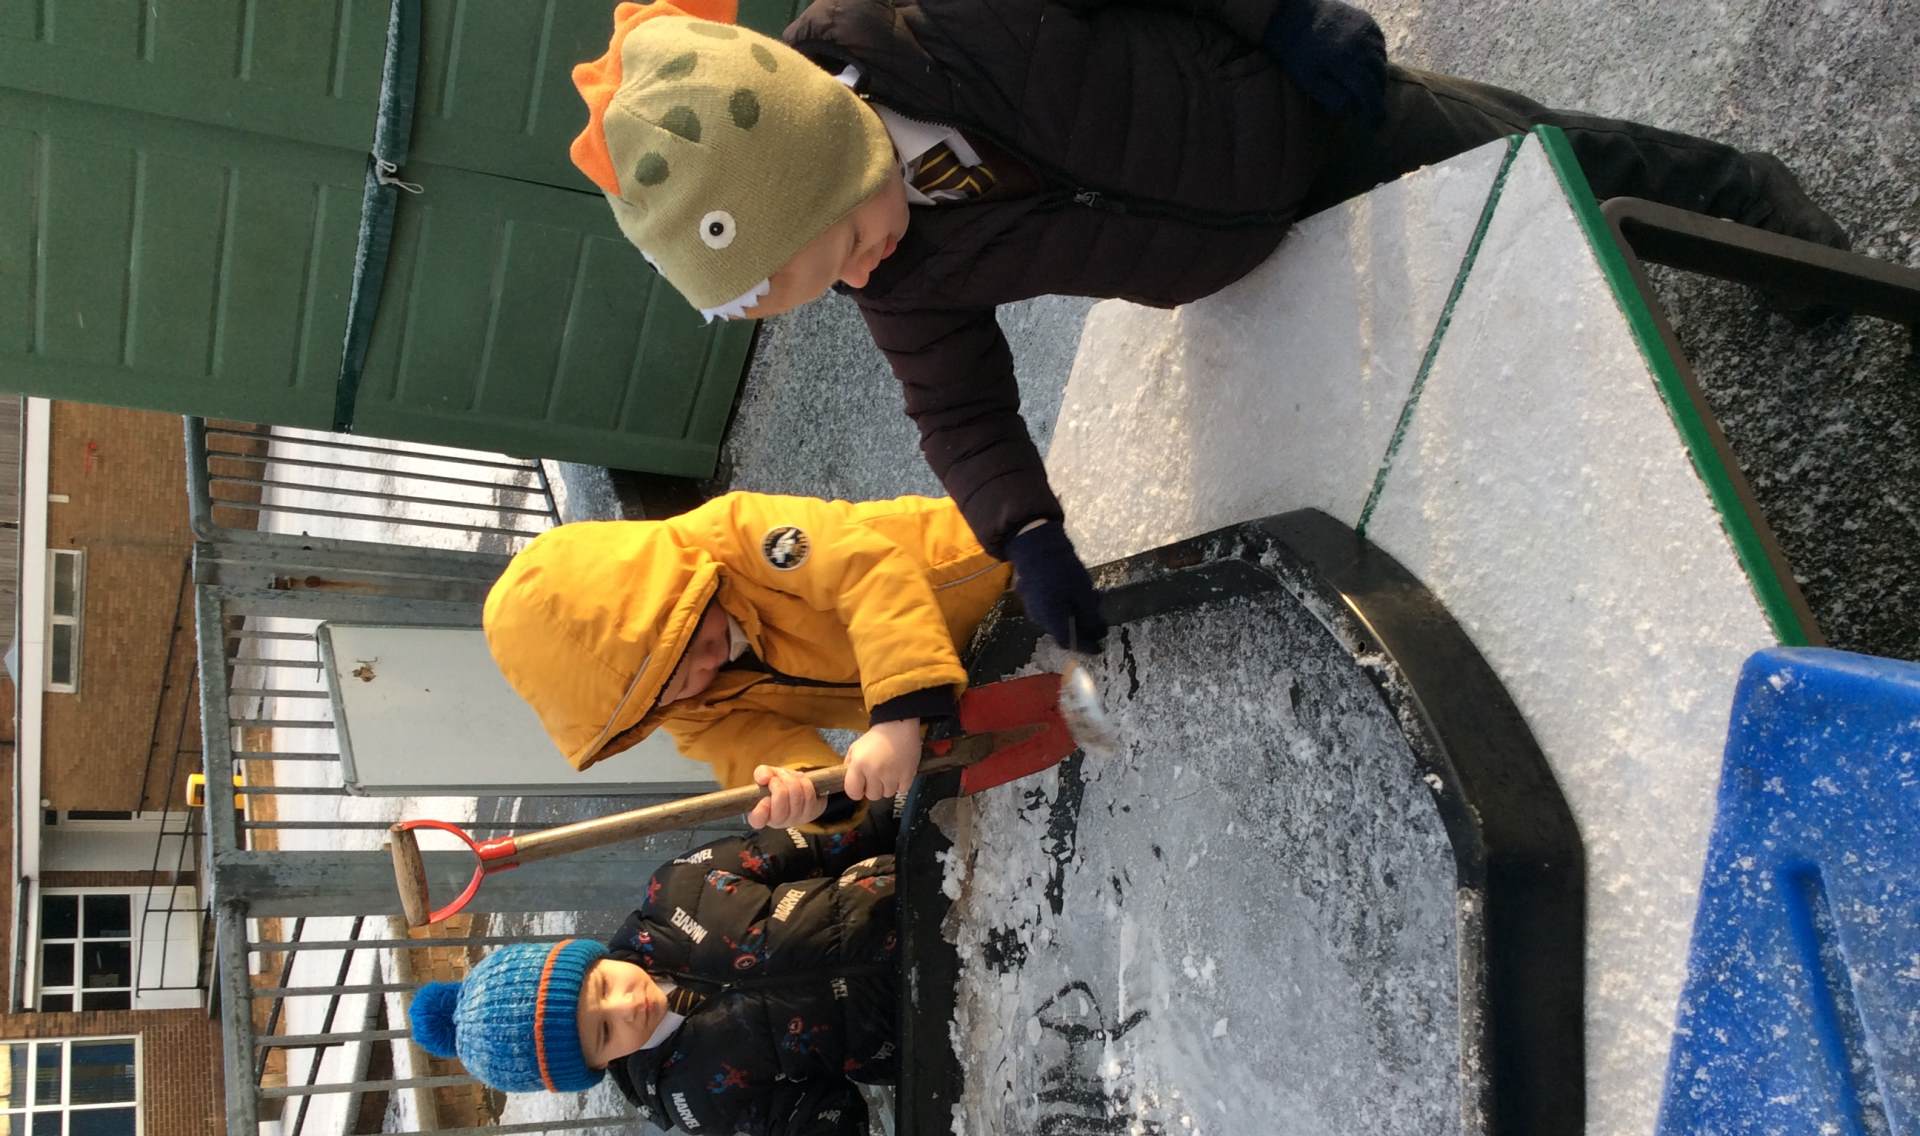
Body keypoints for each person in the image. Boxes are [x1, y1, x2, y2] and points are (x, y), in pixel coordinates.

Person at [565, 0, 1850, 654]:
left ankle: (1744, 201)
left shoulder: (944, 22)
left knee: (1535, 155)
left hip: (1301, 114)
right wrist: (1024, 530)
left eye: (846, 244)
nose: (864, 274)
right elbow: (955, 401)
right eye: (829, 287)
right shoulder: (889, 273)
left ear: (831, 151)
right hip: (1234, 245)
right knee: (1471, 287)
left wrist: (1281, 17)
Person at [407, 807, 903, 1136]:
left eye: (602, 989)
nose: (624, 1008)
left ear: (591, 959)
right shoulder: (691, 1096)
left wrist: (899, 805)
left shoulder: (681, 890)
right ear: (598, 1065)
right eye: (605, 1034)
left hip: (914, 895)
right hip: (913, 1032)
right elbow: (808, 1108)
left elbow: (816, 840)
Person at [482, 488, 1008, 828]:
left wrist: (898, 714)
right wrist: (808, 789)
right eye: (674, 681)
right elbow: (754, 748)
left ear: (683, 586)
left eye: (690, 635)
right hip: (963, 679)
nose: (706, 664)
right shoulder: (690, 713)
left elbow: (868, 574)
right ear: (647, 708)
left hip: (989, 566)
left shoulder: (737, 533)